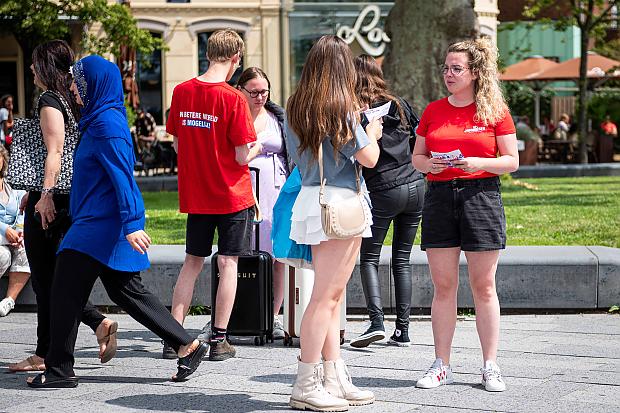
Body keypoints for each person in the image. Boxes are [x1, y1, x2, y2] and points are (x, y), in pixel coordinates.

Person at [26, 55, 208, 389]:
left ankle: (59, 369)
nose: (73, 88)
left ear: (94, 84)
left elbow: (124, 178)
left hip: (99, 226)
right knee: (126, 292)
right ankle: (189, 346)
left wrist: (133, 222)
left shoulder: (108, 125)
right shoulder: (98, 120)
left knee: (64, 290)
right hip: (95, 222)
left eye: (78, 82)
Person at [412, 38, 518, 393]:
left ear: (475, 73)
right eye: (446, 68)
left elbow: (512, 161)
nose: (449, 74)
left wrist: (479, 163)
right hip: (440, 197)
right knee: (443, 287)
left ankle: (490, 365)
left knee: (484, 286)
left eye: (456, 68)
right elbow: (417, 158)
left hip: (481, 197)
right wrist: (432, 164)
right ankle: (442, 364)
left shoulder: (494, 111)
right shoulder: (433, 110)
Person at [285, 35, 382, 411]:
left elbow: (297, 156)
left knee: (330, 296)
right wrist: (370, 131)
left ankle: (333, 375)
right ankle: (306, 382)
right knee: (325, 298)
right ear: (342, 67)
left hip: (313, 198)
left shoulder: (297, 106)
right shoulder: (340, 107)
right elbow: (370, 158)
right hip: (340, 202)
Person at [9, 40, 117, 373]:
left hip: (54, 198)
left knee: (45, 279)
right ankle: (90, 328)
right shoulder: (76, 98)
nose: (30, 68)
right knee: (57, 277)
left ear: (45, 66)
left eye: (34, 63)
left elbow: (54, 151)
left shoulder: (50, 100)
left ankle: (48, 352)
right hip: (73, 194)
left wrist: (44, 194)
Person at [165, 30, 262, 362]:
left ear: (209, 53)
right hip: (232, 195)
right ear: (236, 58)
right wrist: (258, 147)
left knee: (191, 263)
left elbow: (177, 144)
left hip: (198, 195)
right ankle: (219, 340)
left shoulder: (182, 91)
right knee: (228, 262)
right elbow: (240, 156)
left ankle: (173, 336)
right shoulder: (233, 98)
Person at [350, 54, 425, 349]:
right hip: (416, 186)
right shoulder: (400, 104)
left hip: (383, 189)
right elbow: (419, 137)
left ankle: (376, 321)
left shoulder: (360, 111)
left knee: (369, 257)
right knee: (402, 258)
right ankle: (403, 331)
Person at [238, 67, 289, 339]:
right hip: (243, 189)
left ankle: (275, 314)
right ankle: (241, 311)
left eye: (264, 92)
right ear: (241, 90)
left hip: (275, 192)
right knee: (240, 252)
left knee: (277, 255)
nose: (260, 97)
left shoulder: (277, 117)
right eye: (254, 92)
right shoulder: (234, 115)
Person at [0, 146, 30, 317]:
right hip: (2, 236)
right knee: (2, 255)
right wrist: (6, 230)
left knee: (27, 247)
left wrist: (18, 232)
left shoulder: (12, 186)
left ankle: (9, 300)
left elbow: (22, 209)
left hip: (13, 238)